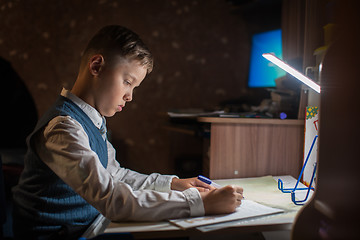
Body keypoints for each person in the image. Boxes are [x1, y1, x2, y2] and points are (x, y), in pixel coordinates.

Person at [12, 25, 243, 240]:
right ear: (96, 66)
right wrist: (200, 203)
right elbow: (112, 198)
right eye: (127, 82)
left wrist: (173, 184)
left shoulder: (92, 119)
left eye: (134, 87)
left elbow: (116, 175)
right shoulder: (63, 129)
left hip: (87, 224)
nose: (130, 96)